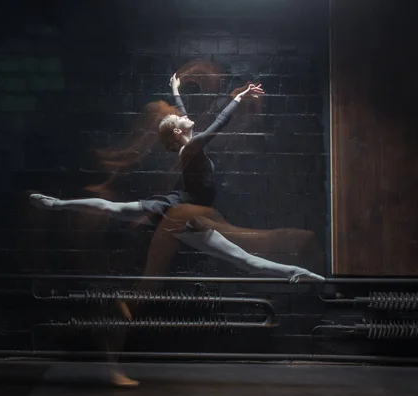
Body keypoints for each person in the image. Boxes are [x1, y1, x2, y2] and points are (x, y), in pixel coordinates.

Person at [30, 73, 324, 283]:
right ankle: (293, 272)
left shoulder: (188, 142)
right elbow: (220, 123)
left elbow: (183, 113)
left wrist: (175, 89)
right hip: (187, 211)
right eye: (181, 119)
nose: (185, 115)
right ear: (178, 132)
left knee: (114, 210)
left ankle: (58, 204)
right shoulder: (192, 147)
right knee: (242, 260)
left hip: (178, 210)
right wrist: (239, 97)